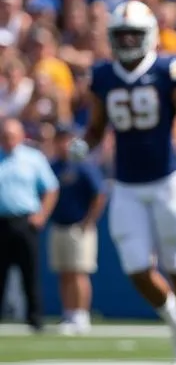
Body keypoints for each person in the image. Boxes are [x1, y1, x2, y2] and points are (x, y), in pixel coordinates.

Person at [73, 1, 176, 365]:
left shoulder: (169, 69)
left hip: (166, 179)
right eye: (121, 35)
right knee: (136, 269)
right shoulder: (102, 75)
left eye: (134, 34)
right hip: (126, 183)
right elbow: (98, 124)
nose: (128, 41)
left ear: (149, 37)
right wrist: (87, 141)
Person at [0, 118, 59, 331]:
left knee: (30, 272)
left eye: (12, 136)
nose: (8, 140)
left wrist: (42, 215)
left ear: (21, 136)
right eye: (5, 136)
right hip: (1, 222)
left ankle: (35, 318)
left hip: (25, 221)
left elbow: (51, 187)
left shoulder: (33, 158)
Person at [49, 123, 107, 335]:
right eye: (60, 139)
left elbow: (100, 194)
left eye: (67, 139)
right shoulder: (54, 166)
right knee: (64, 272)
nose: (63, 144)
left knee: (79, 272)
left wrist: (89, 221)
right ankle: (68, 313)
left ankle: (81, 314)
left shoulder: (83, 165)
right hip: (59, 225)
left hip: (78, 226)